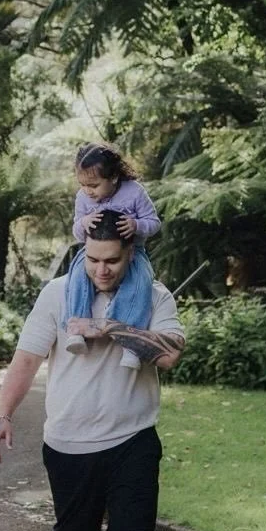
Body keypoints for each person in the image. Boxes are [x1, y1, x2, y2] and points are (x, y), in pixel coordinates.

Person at [0, 209, 184, 531]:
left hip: (132, 440)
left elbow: (170, 353)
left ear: (130, 253)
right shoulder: (58, 294)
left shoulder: (154, 295)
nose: (101, 270)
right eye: (93, 260)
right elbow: (27, 358)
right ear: (82, 253)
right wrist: (2, 416)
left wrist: (111, 328)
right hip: (69, 444)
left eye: (112, 261)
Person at [66, 142, 162, 370]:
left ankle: (130, 343)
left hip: (132, 252)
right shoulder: (83, 197)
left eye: (94, 185)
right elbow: (76, 230)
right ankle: (77, 328)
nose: (88, 191)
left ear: (114, 177)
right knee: (77, 275)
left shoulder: (135, 192)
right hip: (92, 251)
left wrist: (136, 224)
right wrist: (83, 223)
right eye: (83, 185)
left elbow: (154, 223)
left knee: (140, 282)